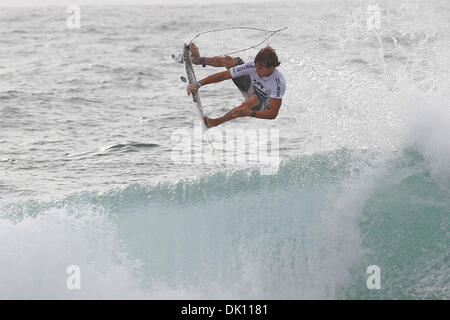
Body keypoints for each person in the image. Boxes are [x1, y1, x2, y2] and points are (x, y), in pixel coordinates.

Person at [187, 43, 286, 128]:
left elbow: (273, 113)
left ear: (271, 67)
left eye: (260, 68)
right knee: (229, 61)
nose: (256, 70)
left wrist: (251, 113)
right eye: (256, 66)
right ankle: (199, 60)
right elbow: (225, 75)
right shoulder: (253, 66)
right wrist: (199, 84)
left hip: (261, 104)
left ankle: (214, 122)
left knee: (254, 99)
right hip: (251, 87)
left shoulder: (278, 83)